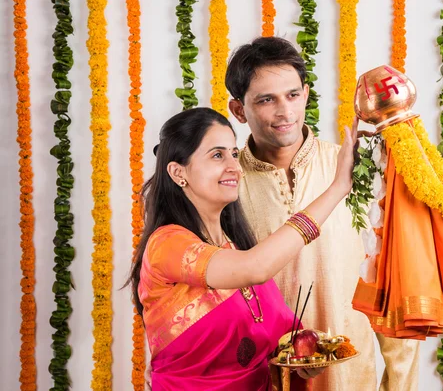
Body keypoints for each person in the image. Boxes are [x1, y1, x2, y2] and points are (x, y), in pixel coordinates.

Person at [226, 37, 420, 391]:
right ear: (239, 110)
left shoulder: (352, 169)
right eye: (266, 100)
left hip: (348, 378)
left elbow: (392, 288)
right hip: (258, 380)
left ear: (307, 93)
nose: (285, 112)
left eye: (293, 95)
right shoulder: (225, 184)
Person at [126, 106, 358, 390]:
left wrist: (303, 355)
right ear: (178, 172)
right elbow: (255, 268)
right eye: (217, 155)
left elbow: (283, 338)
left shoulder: (234, 248)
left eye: (234, 154)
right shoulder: (167, 244)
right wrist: (337, 188)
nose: (234, 167)